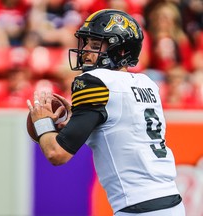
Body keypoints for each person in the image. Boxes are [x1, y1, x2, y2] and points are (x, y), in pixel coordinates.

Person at [27, 9, 185, 215]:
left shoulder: (97, 82)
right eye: (86, 44)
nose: (86, 52)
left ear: (120, 51)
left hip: (139, 207)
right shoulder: (147, 83)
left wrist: (42, 121)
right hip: (170, 202)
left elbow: (57, 154)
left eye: (94, 46)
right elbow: (117, 125)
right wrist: (78, 118)